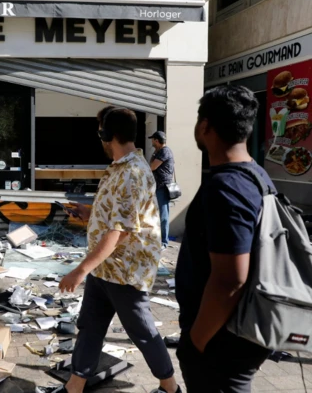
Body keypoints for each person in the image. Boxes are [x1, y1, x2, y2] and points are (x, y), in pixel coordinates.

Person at [58, 106, 180, 393]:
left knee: (143, 333)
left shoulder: (133, 173)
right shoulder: (119, 169)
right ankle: (74, 388)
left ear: (106, 134)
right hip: (105, 270)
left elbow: (121, 231)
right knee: (89, 328)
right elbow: (117, 215)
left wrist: (79, 271)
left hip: (126, 273)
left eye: (99, 130)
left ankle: (171, 389)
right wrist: (90, 213)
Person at [175, 85, 274, 392]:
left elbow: (231, 279)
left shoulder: (226, 187)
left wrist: (196, 341)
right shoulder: (257, 175)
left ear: (205, 126)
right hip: (242, 330)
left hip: (221, 341)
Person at [149, 131, 175, 248]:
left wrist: (155, 153)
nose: (151, 142)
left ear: (156, 140)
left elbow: (152, 167)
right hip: (158, 187)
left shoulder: (164, 152)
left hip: (163, 188)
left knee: (163, 216)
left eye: (153, 140)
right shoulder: (160, 151)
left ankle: (164, 242)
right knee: (158, 215)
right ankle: (159, 240)